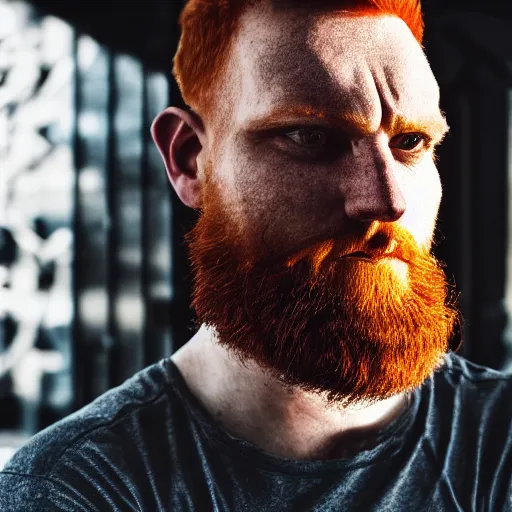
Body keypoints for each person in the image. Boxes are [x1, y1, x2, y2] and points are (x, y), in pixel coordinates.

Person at [1, 0, 512, 510]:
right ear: (189, 160)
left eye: (411, 141)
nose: (386, 202)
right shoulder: (73, 491)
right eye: (311, 137)